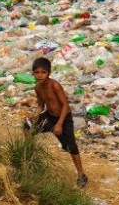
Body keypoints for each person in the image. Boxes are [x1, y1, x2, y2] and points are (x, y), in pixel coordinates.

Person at [28, 56, 88, 187]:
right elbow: (41, 106)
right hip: (49, 116)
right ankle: (28, 161)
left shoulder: (54, 85)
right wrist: (34, 116)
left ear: (49, 73)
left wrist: (59, 124)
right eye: (37, 72)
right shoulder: (38, 88)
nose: (40, 75)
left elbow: (65, 106)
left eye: (43, 72)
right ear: (33, 73)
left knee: (71, 147)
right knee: (28, 128)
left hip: (64, 118)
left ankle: (81, 175)